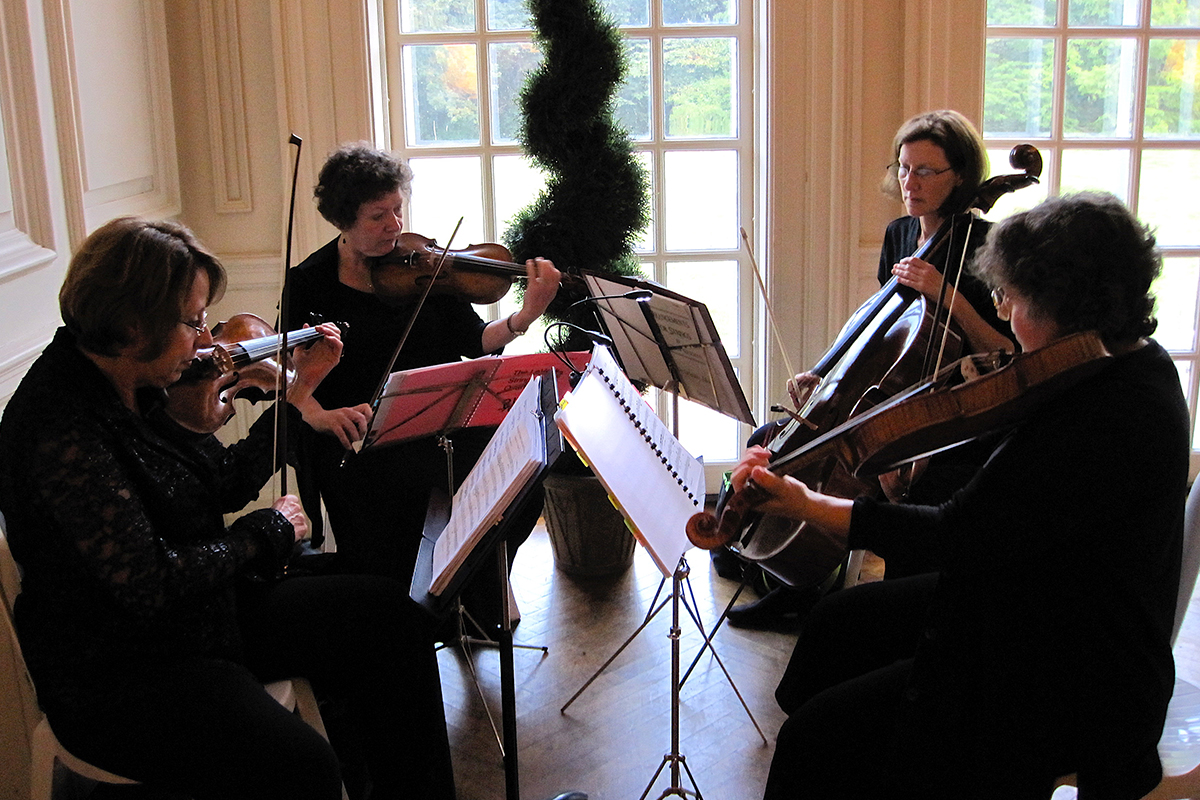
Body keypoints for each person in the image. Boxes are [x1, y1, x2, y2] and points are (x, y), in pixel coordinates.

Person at [739, 192, 1186, 798]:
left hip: (1069, 667)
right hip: (1035, 593)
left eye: (1014, 297)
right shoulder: (1129, 362)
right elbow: (1015, 502)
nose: (1001, 311)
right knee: (839, 622)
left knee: (816, 740)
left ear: (1068, 306)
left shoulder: (1106, 412)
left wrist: (806, 504)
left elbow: (954, 534)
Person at [0, 217, 456, 800]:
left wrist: (295, 399)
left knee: (387, 617)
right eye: (192, 322)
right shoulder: (59, 428)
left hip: (203, 613)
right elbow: (150, 583)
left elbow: (221, 484)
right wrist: (266, 533)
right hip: (125, 671)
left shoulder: (135, 379)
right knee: (304, 766)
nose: (204, 341)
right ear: (134, 328)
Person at [723, 110, 1017, 626]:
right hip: (888, 397)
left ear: (963, 177)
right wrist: (826, 375)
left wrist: (945, 294)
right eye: (904, 168)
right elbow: (882, 331)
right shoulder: (900, 234)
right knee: (776, 437)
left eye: (927, 171)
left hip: (947, 414)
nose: (911, 182)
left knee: (856, 470)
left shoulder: (988, 247)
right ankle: (791, 580)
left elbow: (1007, 351)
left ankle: (818, 586)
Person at [284, 143, 561, 594]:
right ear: (342, 219)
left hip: (434, 423)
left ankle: (475, 588)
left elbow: (475, 340)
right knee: (393, 531)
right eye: (378, 216)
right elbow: (286, 378)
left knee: (522, 482)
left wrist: (523, 318)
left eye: (398, 210)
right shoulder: (309, 283)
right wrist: (318, 414)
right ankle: (409, 607)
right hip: (353, 440)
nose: (395, 226)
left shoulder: (422, 266)